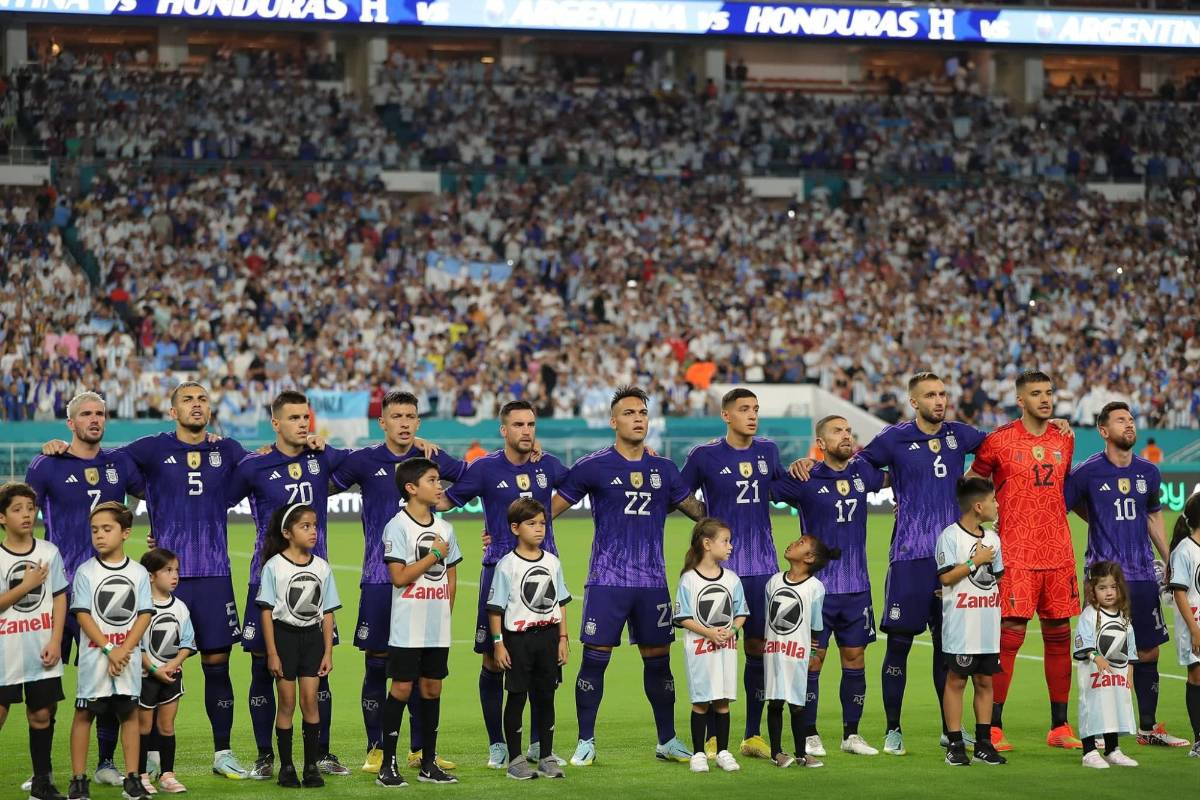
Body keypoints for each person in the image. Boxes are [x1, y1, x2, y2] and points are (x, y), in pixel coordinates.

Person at [548, 386, 706, 767]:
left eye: (643, 413)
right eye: (630, 412)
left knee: (659, 662)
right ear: (613, 421)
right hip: (606, 581)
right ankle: (586, 740)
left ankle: (667, 739)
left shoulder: (663, 469)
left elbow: (698, 512)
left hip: (652, 584)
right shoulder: (593, 466)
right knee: (594, 661)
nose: (638, 419)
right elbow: (547, 511)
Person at [330, 391, 462, 773]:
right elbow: (323, 477)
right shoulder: (365, 459)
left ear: (419, 423)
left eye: (411, 416)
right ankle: (376, 746)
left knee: (423, 669)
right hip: (378, 579)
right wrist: (314, 445)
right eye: (397, 416)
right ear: (382, 422)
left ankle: (421, 750)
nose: (404, 422)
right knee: (377, 665)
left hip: (425, 587)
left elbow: (473, 476)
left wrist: (447, 502)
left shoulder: (430, 459)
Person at [227, 391, 351, 779]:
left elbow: (369, 462)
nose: (303, 424)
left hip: (315, 585)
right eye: (294, 417)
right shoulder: (255, 466)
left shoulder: (324, 457)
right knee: (263, 669)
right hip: (265, 582)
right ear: (276, 423)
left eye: (306, 417)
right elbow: (213, 503)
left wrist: (415, 442)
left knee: (319, 671)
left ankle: (322, 753)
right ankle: (266, 756)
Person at [26, 391, 145, 787]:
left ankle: (106, 762)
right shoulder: (47, 464)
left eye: (100, 413)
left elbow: (160, 488)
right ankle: (41, 771)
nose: (94, 419)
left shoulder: (119, 462)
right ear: (70, 423)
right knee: (45, 679)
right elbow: (22, 517)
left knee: (112, 675)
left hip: (107, 591)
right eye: (86, 414)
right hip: (57, 589)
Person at [442, 400, 568, 768]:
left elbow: (583, 481)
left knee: (543, 665)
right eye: (518, 425)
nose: (526, 431)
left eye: (531, 424)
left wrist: (643, 453)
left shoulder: (548, 465)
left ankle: (537, 745)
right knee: (495, 661)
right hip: (498, 572)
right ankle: (497, 743)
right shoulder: (485, 468)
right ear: (504, 430)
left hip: (544, 576)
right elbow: (447, 500)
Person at [969, 371, 1080, 751]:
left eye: (1049, 392)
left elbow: (1063, 487)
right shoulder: (998, 441)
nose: (1045, 399)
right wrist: (978, 527)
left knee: (1059, 637)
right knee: (1010, 636)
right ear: (1020, 400)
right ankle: (994, 726)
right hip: (1014, 552)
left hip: (1058, 551)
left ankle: (1060, 726)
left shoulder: (1065, 437)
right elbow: (973, 484)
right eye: (1036, 394)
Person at [1064, 401, 1185, 746]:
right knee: (1103, 651)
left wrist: (1168, 556)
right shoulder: (1087, 472)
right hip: (1105, 577)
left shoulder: (1148, 472)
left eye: (1131, 419)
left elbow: (1152, 515)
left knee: (1148, 651)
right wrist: (1097, 520)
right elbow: (1066, 502)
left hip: (1143, 574)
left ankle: (1147, 729)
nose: (1129, 425)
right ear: (1103, 431)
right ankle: (1100, 731)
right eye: (1120, 420)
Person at [772, 415, 887, 758]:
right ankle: (808, 733)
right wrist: (793, 464)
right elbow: (767, 483)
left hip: (857, 587)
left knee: (855, 658)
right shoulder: (806, 478)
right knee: (812, 662)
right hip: (816, 590)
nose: (846, 435)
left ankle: (852, 734)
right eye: (837, 431)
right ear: (820, 444)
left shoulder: (863, 472)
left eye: (848, 430)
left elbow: (899, 472)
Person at [680, 388, 783, 759]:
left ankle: (752, 735)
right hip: (720, 575)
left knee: (758, 649)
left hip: (763, 568)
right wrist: (705, 520)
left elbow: (782, 486)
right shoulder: (704, 455)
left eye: (756, 409)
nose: (752, 415)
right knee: (714, 647)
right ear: (726, 415)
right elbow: (678, 492)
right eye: (744, 409)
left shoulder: (768, 451)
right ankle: (711, 737)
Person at [376, 458, 463, 787]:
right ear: (412, 488)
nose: (440, 486)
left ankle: (429, 762)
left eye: (439, 480)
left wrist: (445, 611)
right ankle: (388, 764)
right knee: (400, 689)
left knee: (432, 688)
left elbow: (451, 578)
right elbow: (398, 577)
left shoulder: (446, 528)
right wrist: (432, 556)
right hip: (407, 624)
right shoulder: (397, 526)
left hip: (437, 625)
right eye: (432, 480)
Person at [69, 502, 154, 800]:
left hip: (127, 659)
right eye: (95, 530)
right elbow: (82, 614)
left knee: (129, 713)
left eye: (107, 529)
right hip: (95, 658)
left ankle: (132, 779)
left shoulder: (139, 572)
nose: (99, 536)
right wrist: (109, 649)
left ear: (125, 532)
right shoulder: (85, 572)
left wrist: (124, 649)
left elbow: (144, 613)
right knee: (84, 714)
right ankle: (78, 780)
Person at [257, 503, 341, 788]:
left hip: (312, 639)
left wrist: (328, 651)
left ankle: (310, 767)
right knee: (287, 703)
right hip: (284, 639)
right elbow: (266, 612)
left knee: (310, 701)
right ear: (287, 533)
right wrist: (272, 653)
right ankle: (287, 767)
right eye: (305, 526)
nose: (313, 531)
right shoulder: (274, 566)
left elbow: (328, 612)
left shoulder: (321, 567)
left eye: (315, 525)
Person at [486, 498, 571, 780]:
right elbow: (495, 609)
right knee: (517, 696)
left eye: (542, 524)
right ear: (515, 528)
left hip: (548, 638)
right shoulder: (506, 565)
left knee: (546, 697)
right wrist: (498, 643)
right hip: (518, 640)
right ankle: (515, 759)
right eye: (531, 524)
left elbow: (561, 602)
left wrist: (563, 638)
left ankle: (546, 755)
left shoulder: (552, 562)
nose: (539, 529)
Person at [0, 483, 68, 800]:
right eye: (17, 509)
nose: (27, 514)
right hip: (5, 652)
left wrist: (56, 641)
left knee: (42, 715)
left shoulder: (48, 552)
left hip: (41, 648)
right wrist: (26, 585)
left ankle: (42, 783)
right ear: (2, 517)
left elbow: (58, 599)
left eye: (30, 507)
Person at [935, 477, 1007, 767]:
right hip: (961, 626)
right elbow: (945, 577)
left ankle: (983, 743)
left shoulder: (993, 539)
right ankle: (954, 743)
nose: (997, 504)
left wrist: (983, 566)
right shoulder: (950, 536)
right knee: (956, 680)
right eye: (993, 500)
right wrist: (976, 561)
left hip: (988, 624)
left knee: (985, 681)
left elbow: (997, 575)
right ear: (978, 506)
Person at [673, 518, 748, 774]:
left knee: (723, 699)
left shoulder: (732, 579)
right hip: (700, 649)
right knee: (701, 700)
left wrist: (732, 630)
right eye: (725, 541)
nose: (730, 547)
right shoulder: (689, 580)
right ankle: (698, 754)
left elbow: (741, 613)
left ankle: (724, 751)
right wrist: (708, 633)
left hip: (725, 649)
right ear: (707, 544)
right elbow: (682, 617)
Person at [763, 534, 835, 769]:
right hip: (774, 651)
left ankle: (802, 754)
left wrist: (814, 654)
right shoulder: (773, 582)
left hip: (797, 653)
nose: (793, 542)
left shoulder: (815, 588)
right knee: (775, 701)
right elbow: (770, 618)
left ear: (809, 558)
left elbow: (816, 627)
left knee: (797, 703)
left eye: (801, 543)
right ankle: (776, 752)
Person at [136, 548, 195, 795]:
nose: (175, 576)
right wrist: (153, 668)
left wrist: (171, 666)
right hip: (145, 677)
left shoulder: (180, 607)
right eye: (167, 570)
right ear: (150, 576)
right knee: (143, 727)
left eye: (177, 570)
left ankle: (167, 774)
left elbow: (187, 643)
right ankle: (140, 774)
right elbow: (136, 645)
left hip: (171, 676)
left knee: (167, 726)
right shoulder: (140, 607)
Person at [1073, 562, 1139, 769]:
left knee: (1113, 708)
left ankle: (1112, 749)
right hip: (1095, 677)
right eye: (1102, 588)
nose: (1109, 593)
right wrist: (1096, 657)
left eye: (1113, 587)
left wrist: (1129, 672)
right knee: (1093, 709)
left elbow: (1130, 650)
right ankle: (1089, 752)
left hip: (1116, 676)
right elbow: (1082, 644)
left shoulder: (1124, 616)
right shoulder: (1090, 615)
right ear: (1092, 590)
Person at [1166, 491, 1200, 759]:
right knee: (1197, 677)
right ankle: (1199, 739)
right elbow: (1179, 592)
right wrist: (1195, 630)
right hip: (1195, 625)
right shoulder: (1185, 551)